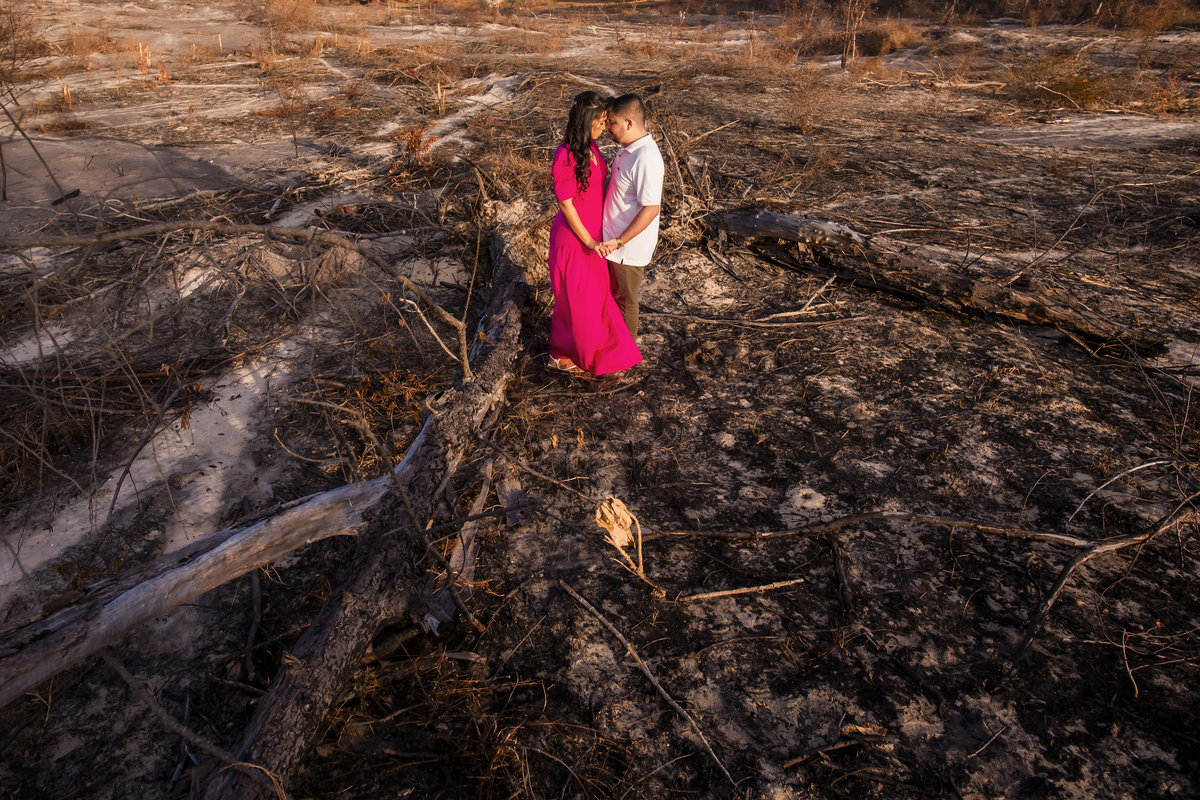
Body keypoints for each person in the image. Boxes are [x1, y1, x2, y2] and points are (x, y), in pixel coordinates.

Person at [546, 91, 642, 375]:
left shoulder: (593, 148)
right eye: (600, 121)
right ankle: (563, 355)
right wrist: (589, 241)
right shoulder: (564, 155)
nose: (604, 126)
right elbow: (565, 204)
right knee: (576, 304)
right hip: (575, 242)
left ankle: (570, 352)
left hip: (593, 241)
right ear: (586, 120)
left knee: (588, 302)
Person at [597, 93, 665, 341]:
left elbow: (651, 208)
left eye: (612, 123)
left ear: (628, 123)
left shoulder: (645, 157)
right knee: (615, 297)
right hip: (613, 245)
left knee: (625, 300)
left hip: (625, 249)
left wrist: (619, 241)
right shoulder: (628, 148)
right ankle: (615, 347)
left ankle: (626, 355)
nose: (607, 129)